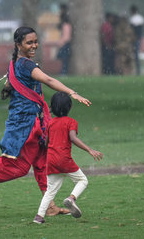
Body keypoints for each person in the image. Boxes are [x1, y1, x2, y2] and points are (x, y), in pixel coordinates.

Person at [0, 27, 91, 215]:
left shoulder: (16, 63)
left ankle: (49, 206)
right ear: (18, 45)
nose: (34, 46)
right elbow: (48, 80)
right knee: (18, 166)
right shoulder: (26, 65)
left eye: (35, 41)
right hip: (27, 124)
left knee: (43, 162)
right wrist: (71, 92)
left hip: (36, 122)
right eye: (29, 43)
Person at [33, 92, 103, 224]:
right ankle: (71, 198)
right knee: (83, 180)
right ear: (69, 107)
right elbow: (73, 138)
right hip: (64, 160)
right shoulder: (71, 122)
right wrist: (89, 149)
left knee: (50, 191)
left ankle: (39, 217)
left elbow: (47, 143)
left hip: (51, 160)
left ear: (52, 107)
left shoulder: (51, 123)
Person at [57, 4, 72, 75]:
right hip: (65, 43)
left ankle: (64, 72)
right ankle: (63, 72)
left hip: (65, 43)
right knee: (64, 59)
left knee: (64, 59)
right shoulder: (66, 23)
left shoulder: (65, 24)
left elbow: (66, 36)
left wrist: (61, 43)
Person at [129, 5, 144, 76]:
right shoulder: (141, 18)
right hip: (139, 39)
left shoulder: (132, 19)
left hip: (134, 39)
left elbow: (133, 31)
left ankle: (137, 72)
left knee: (135, 55)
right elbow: (141, 31)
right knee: (136, 55)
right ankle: (137, 71)